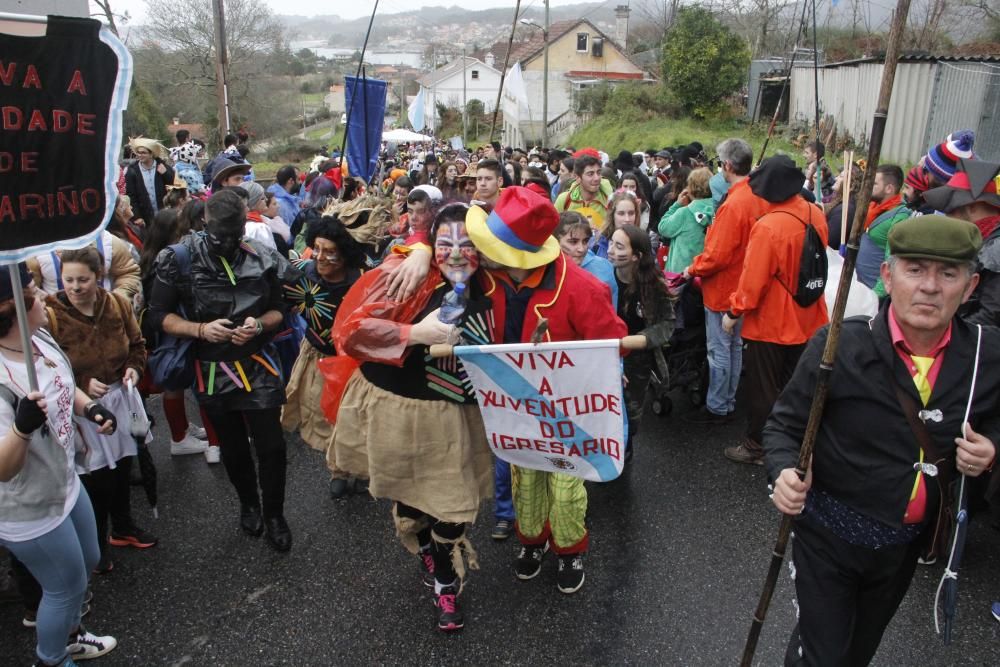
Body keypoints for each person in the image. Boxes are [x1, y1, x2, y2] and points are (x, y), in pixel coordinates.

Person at [765, 214, 1000, 666]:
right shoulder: (838, 346)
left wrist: (992, 448)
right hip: (827, 536)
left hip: (904, 546)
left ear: (969, 287)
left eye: (947, 274)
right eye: (915, 269)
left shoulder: (986, 356)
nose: (930, 287)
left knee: (858, 652)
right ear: (888, 276)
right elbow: (783, 427)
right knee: (823, 654)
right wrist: (783, 472)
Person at [330, 203, 494, 631]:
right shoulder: (407, 276)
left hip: (457, 416)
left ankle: (443, 577)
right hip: (398, 405)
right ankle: (425, 546)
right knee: (411, 493)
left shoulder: (496, 285)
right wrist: (413, 333)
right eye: (444, 244)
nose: (457, 254)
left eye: (468, 244)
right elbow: (349, 331)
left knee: (453, 506)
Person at [465, 186, 627, 594]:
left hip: (568, 412)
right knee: (526, 483)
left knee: (567, 488)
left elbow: (611, 344)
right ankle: (532, 542)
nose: (479, 252)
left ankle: (570, 549)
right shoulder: (481, 278)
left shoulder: (583, 289)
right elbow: (434, 247)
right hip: (515, 407)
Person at [148, 190, 302, 552]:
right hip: (212, 367)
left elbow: (282, 308)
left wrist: (259, 324)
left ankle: (276, 514)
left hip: (257, 362)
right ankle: (249, 503)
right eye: (221, 236)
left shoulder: (261, 256)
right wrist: (200, 330)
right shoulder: (179, 258)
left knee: (272, 445)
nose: (229, 243)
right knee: (232, 447)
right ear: (205, 224)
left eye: (235, 235)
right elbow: (157, 316)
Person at [0, 265, 119, 666]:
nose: (47, 297)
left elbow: (64, 388)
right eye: (35, 292)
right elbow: (3, 469)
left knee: (86, 563)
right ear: (13, 307)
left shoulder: (40, 338)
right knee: (64, 588)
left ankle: (71, 635)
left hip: (65, 481)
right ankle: (52, 659)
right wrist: (20, 429)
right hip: (28, 508)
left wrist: (92, 408)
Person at [44, 247, 156, 572]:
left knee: (123, 466)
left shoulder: (117, 303)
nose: (76, 287)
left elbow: (137, 344)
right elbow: (48, 367)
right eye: (69, 280)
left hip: (122, 398)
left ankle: (123, 527)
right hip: (81, 407)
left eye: (83, 279)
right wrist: (81, 382)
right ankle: (96, 542)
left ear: (98, 276)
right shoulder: (51, 315)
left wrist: (135, 368)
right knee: (96, 478)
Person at [720, 156, 829, 465]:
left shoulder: (768, 227)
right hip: (810, 314)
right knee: (795, 385)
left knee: (762, 388)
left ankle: (757, 445)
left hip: (773, 322)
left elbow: (752, 283)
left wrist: (733, 312)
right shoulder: (814, 212)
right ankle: (794, 440)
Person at [281, 216, 366, 498]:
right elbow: (278, 303)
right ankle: (338, 469)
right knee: (328, 415)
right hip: (318, 357)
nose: (320, 257)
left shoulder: (364, 282)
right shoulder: (302, 275)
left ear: (346, 254)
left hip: (356, 364)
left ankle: (360, 467)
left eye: (330, 252)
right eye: (316, 249)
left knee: (356, 417)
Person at [683, 138, 765, 425]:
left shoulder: (734, 204)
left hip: (722, 291)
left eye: (720, 164)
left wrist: (691, 269)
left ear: (728, 166)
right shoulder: (757, 196)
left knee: (719, 351)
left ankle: (718, 405)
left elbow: (715, 256)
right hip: (744, 287)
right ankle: (727, 400)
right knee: (735, 348)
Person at [137, 209, 217, 461]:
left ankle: (182, 430)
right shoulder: (170, 260)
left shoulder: (148, 259)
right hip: (174, 332)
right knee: (192, 384)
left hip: (163, 334)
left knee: (177, 384)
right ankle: (184, 439)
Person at [606, 225, 675, 461]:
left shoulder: (653, 283)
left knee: (630, 415)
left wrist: (632, 341)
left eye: (619, 246)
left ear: (637, 256)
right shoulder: (602, 275)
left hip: (636, 360)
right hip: (604, 356)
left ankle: (625, 448)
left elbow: (667, 324)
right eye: (611, 243)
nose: (610, 251)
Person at [924, 159, 1000, 327]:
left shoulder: (996, 248)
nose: (948, 218)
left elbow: (992, 314)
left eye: (951, 210)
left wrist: (948, 337)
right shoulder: (981, 239)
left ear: (972, 206)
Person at [856, 165, 910, 291]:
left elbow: (891, 258)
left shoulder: (899, 217)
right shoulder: (872, 207)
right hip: (860, 284)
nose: (869, 187)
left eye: (874, 184)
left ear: (889, 188)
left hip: (873, 289)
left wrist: (878, 293)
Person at [658, 167, 715, 275]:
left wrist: (677, 205)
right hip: (706, 271)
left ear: (690, 188)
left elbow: (663, 227)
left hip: (682, 274)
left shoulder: (685, 213)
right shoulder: (719, 210)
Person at [554, 212, 618, 309]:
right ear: (556, 241)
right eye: (573, 242)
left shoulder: (604, 268)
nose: (582, 249)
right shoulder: (545, 269)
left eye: (585, 241)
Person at [124, 137, 174, 229]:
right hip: (145, 218)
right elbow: (131, 196)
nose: (140, 155)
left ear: (151, 154)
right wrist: (137, 216)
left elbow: (175, 186)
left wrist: (165, 174)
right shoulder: (132, 171)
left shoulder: (163, 167)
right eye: (138, 152)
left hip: (165, 215)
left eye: (143, 153)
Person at [554, 153, 613, 231]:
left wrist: (600, 233)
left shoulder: (610, 201)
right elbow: (553, 230)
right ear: (577, 177)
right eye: (590, 174)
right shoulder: (564, 199)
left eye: (598, 173)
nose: (597, 178)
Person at [592, 190, 642, 258]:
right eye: (621, 213)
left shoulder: (643, 245)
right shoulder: (596, 243)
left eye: (631, 213)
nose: (627, 219)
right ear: (612, 215)